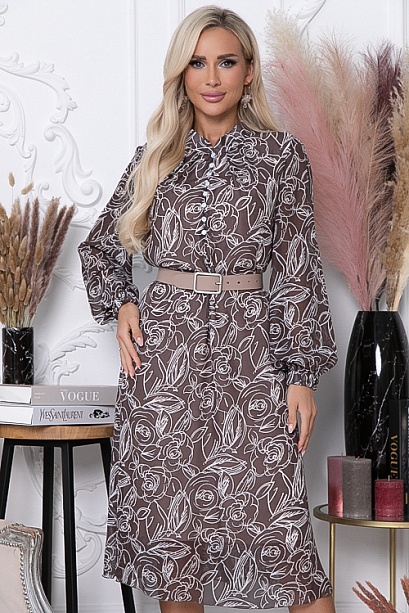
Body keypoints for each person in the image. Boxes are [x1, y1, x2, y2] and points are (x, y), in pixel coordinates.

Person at [78, 5, 338, 612]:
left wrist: (300, 376)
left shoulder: (280, 158)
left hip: (251, 360)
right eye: (197, 63)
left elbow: (298, 269)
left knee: (285, 543)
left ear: (249, 71)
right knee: (176, 551)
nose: (212, 78)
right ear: (181, 74)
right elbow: (100, 247)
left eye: (226, 62)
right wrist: (123, 303)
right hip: (165, 363)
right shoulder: (156, 157)